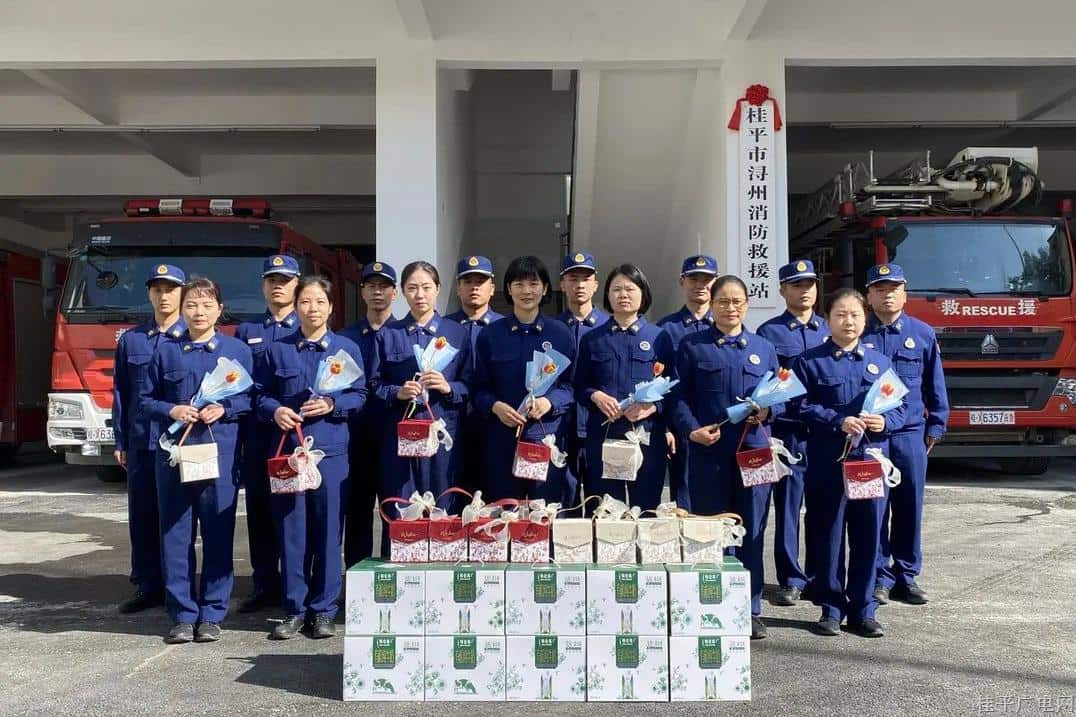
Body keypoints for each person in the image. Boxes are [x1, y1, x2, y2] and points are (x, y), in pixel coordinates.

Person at [141, 277, 253, 644]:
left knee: (218, 534)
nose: (199, 312)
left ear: (220, 310)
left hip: (217, 453)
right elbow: (145, 400)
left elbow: (250, 399)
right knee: (175, 535)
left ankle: (213, 613)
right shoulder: (166, 351)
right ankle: (182, 614)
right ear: (181, 309)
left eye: (206, 305)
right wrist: (171, 408)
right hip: (174, 456)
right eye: (191, 305)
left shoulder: (236, 351)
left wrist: (226, 408)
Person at [256, 276, 367, 639]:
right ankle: (293, 609)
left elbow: (360, 394)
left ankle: (323, 610)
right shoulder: (278, 349)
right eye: (306, 302)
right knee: (292, 533)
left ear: (331, 307)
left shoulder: (346, 348)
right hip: (290, 453)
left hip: (330, 454)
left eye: (320, 302)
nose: (312, 309)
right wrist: (275, 411)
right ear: (296, 305)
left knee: (328, 533)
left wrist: (334, 403)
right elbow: (259, 395)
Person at [792, 288, 906, 639]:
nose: (849, 321)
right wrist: (835, 419)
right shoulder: (809, 362)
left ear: (864, 318)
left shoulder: (880, 363)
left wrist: (884, 423)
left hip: (868, 463)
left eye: (855, 314)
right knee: (827, 534)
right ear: (828, 319)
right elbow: (796, 406)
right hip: (828, 461)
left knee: (868, 534)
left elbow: (903, 407)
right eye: (840, 314)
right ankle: (830, 607)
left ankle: (863, 609)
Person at [672, 275, 780, 640]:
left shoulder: (763, 348)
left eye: (737, 301)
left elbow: (777, 394)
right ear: (713, 305)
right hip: (709, 454)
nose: (730, 308)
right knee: (712, 532)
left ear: (747, 305)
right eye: (723, 301)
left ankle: (750, 609)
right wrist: (691, 430)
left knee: (752, 530)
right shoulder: (692, 347)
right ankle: (713, 605)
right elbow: (678, 398)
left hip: (753, 453)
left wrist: (767, 413)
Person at [861, 263, 948, 606]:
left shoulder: (922, 333)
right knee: (875, 506)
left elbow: (934, 384)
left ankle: (906, 575)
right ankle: (879, 575)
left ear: (904, 293)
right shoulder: (860, 335)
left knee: (910, 504)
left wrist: (937, 423)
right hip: (873, 436)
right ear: (869, 296)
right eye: (880, 289)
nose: (888, 294)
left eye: (894, 288)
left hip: (911, 432)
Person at [112, 263, 187, 614]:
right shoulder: (132, 340)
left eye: (170, 289)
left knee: (178, 519)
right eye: (157, 289)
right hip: (143, 442)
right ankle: (147, 585)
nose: (163, 295)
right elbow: (121, 395)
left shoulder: (194, 338)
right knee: (142, 516)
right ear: (149, 295)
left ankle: (181, 586)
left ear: (182, 293)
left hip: (181, 444)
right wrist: (120, 441)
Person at [756, 259, 830, 606]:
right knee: (786, 507)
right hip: (787, 433)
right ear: (782, 290)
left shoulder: (829, 330)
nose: (805, 291)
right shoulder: (769, 334)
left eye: (810, 284)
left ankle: (818, 575)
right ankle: (790, 577)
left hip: (824, 435)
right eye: (797, 285)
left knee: (822, 507)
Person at [370, 261, 470, 513]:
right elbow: (373, 386)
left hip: (443, 437)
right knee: (402, 512)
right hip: (402, 440)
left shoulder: (456, 333)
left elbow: (471, 385)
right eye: (412, 288)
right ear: (402, 292)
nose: (420, 294)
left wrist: (449, 387)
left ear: (437, 289)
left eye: (426, 287)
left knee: (444, 512)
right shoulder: (388, 334)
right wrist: (397, 392)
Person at [473, 256, 574, 503]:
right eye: (518, 284)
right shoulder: (491, 335)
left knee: (545, 515)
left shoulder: (560, 334)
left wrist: (549, 403)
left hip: (545, 437)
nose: (527, 291)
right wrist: (495, 406)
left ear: (546, 288)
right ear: (508, 289)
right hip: (502, 440)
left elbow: (571, 386)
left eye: (533, 283)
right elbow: (479, 388)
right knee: (504, 515)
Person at [575, 264, 674, 510]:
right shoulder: (592, 339)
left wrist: (652, 408)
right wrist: (596, 396)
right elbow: (579, 385)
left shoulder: (658, 337)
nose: (623, 295)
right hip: (604, 436)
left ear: (643, 294)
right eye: (616, 289)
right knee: (606, 510)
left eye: (630, 288)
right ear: (607, 295)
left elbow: (674, 387)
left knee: (647, 510)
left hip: (646, 437)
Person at [233, 254, 300, 613]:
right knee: (259, 510)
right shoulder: (247, 331)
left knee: (291, 513)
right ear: (263, 286)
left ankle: (295, 583)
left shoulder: (302, 327)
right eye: (272, 280)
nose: (279, 286)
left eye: (285, 280)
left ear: (296, 285)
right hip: (258, 433)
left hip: (294, 434)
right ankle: (264, 584)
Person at [340, 261, 397, 568]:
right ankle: (357, 581)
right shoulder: (344, 338)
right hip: (356, 437)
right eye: (371, 286)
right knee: (357, 511)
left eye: (384, 286)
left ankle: (391, 576)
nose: (378, 292)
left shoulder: (404, 333)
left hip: (395, 437)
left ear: (395, 293)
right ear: (362, 292)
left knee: (395, 510)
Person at [657, 254, 719, 509]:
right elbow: (657, 383)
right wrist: (665, 427)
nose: (700, 285)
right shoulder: (665, 329)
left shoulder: (726, 324)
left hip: (718, 427)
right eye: (694, 278)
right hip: (681, 430)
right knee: (684, 502)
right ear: (682, 282)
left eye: (707, 279)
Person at [445, 256, 504, 498]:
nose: (474, 287)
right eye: (467, 281)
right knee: (453, 497)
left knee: (494, 499)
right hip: (452, 426)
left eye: (481, 281)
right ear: (458, 288)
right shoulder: (444, 328)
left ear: (492, 287)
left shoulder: (504, 328)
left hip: (495, 424)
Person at [554, 251, 609, 507]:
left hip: (602, 426)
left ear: (596, 284)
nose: (579, 284)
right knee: (564, 501)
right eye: (573, 278)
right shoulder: (551, 329)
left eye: (586, 278)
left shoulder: (610, 328)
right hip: (560, 428)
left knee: (604, 501)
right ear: (562, 284)